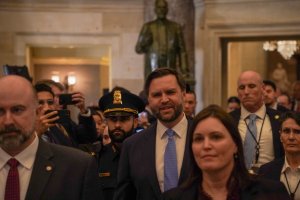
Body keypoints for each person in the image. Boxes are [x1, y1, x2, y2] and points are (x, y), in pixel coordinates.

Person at [0, 75, 102, 199]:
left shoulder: (79, 165)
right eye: (0, 111)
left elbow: (87, 137)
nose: (8, 121)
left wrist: (83, 110)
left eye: (17, 110)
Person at [163, 105, 289, 200]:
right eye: (199, 139)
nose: (206, 146)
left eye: (216, 137)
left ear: (235, 144)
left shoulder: (271, 193)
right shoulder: (173, 198)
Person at [114, 68, 193, 200]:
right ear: (149, 100)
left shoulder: (202, 136)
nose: (164, 99)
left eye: (170, 92)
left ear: (183, 94)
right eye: (156, 95)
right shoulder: (132, 146)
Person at [230, 70, 284, 172]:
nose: (246, 92)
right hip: (237, 181)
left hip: (270, 181)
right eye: (242, 88)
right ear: (238, 92)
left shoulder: (280, 119)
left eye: (251, 86)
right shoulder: (228, 120)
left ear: (263, 89)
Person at [97, 89, 145, 200]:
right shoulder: (98, 158)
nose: (117, 125)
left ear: (136, 122)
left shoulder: (148, 154)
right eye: (112, 119)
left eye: (124, 119)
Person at [135, 0, 189, 79]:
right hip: (152, 69)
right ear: (155, 9)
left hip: (170, 67)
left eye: (164, 8)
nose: (161, 10)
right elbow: (138, 49)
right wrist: (146, 41)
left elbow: (182, 51)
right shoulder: (148, 27)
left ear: (167, 9)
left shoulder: (175, 27)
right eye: (159, 8)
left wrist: (184, 71)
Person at [36, 79, 98, 147]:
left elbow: (89, 138)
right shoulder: (36, 126)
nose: (60, 100)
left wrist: (83, 110)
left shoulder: (64, 120)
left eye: (62, 96)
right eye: (56, 96)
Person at [259, 111, 300, 200]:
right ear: (280, 136)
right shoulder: (265, 171)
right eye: (286, 131)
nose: (291, 137)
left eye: (297, 132)